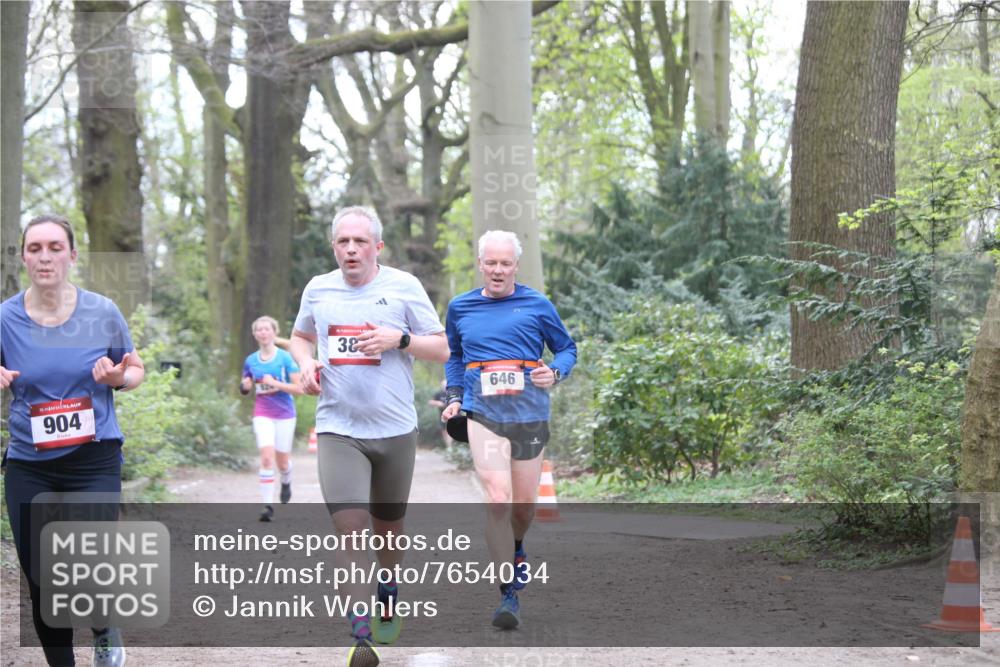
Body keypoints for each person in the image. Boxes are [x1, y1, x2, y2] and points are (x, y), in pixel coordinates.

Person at [289, 205, 448, 667]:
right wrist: (304, 364)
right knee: (351, 530)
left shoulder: (403, 287)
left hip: (395, 430)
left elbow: (441, 347)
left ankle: (389, 589)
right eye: (343, 241)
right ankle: (361, 638)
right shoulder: (318, 289)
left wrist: (398, 340)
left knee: (388, 535)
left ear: (378, 247)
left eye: (360, 241)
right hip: (339, 429)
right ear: (334, 246)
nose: (351, 249)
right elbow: (300, 337)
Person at [1, 215, 146, 667]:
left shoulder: (100, 311)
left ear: (72, 255)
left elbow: (136, 369)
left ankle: (103, 626)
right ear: (24, 256)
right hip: (29, 462)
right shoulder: (5, 317)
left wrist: (121, 378)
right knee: (43, 579)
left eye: (55, 247)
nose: (45, 257)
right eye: (36, 248)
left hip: (93, 459)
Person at [441, 229, 577, 630]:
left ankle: (517, 547)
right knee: (497, 499)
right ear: (480, 264)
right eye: (491, 262)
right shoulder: (460, 307)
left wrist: (554, 372)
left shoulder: (536, 304)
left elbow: (567, 348)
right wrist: (453, 395)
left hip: (529, 413)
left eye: (505, 263)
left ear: (516, 266)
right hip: (482, 412)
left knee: (524, 507)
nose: (497, 270)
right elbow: (454, 356)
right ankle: (508, 594)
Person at [239, 315, 302, 522]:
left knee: (282, 462)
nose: (263, 333)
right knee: (266, 458)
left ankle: (286, 479)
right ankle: (267, 506)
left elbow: (300, 388)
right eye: (259, 330)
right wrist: (245, 386)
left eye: (267, 329)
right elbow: (245, 384)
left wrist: (276, 384)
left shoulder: (285, 358)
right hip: (262, 413)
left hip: (284, 414)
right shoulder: (251, 360)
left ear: (274, 333)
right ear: (255, 334)